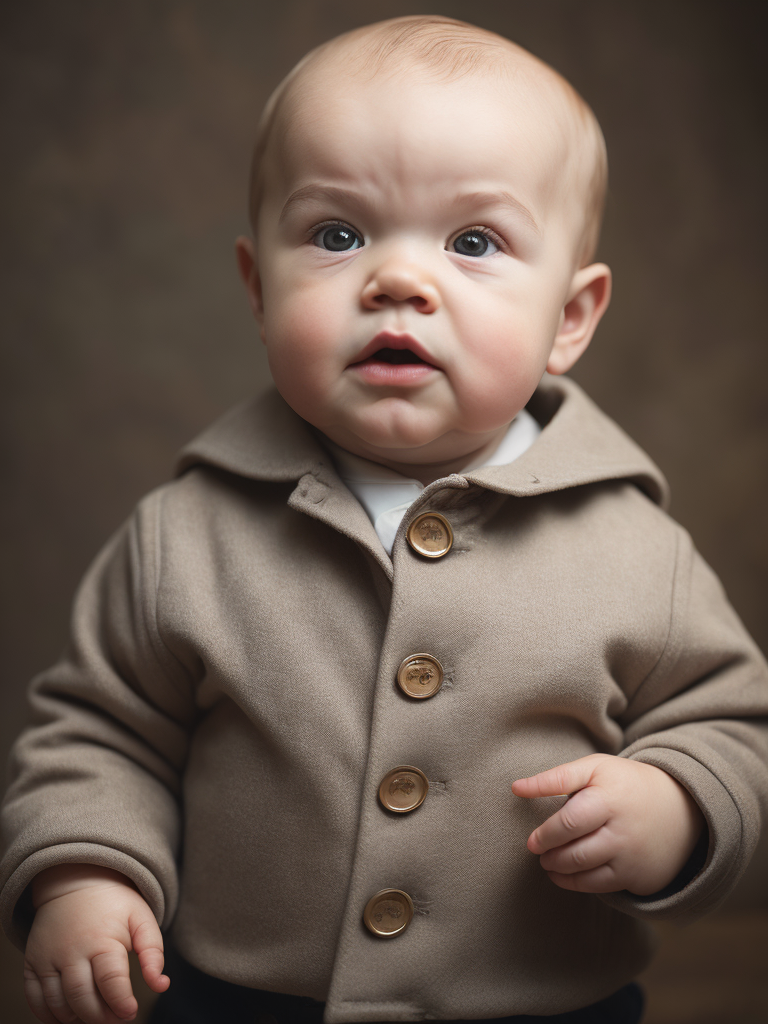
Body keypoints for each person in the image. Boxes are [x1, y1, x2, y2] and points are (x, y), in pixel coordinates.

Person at [2, 14, 767, 1024]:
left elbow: (732, 732)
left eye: (475, 242)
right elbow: (102, 735)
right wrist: (85, 874)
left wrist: (679, 806)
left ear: (570, 319)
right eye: (337, 234)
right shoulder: (183, 535)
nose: (400, 280)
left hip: (542, 1003)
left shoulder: (637, 551)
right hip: (231, 998)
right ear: (257, 287)